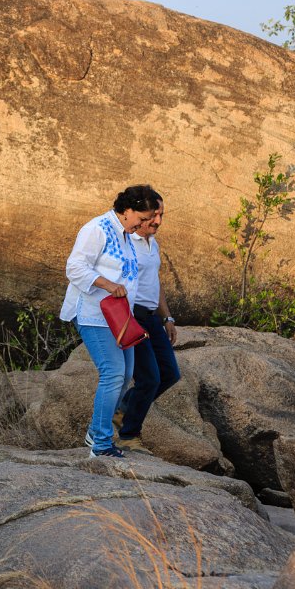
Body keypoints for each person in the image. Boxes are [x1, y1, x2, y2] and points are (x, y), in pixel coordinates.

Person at [59, 185, 158, 458]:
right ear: (127, 211)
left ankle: (95, 431)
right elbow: (75, 267)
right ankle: (101, 444)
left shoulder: (126, 234)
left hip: (118, 318)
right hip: (92, 313)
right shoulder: (97, 229)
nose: (145, 223)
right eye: (142, 217)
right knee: (113, 373)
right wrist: (108, 284)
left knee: (126, 374)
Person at [117, 190, 181, 450]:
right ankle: (129, 435)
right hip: (132, 316)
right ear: (139, 215)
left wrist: (167, 317)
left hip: (152, 317)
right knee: (149, 378)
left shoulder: (152, 243)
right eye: (153, 215)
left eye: (161, 215)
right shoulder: (126, 241)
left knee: (170, 374)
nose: (158, 221)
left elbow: (156, 282)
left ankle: (123, 409)